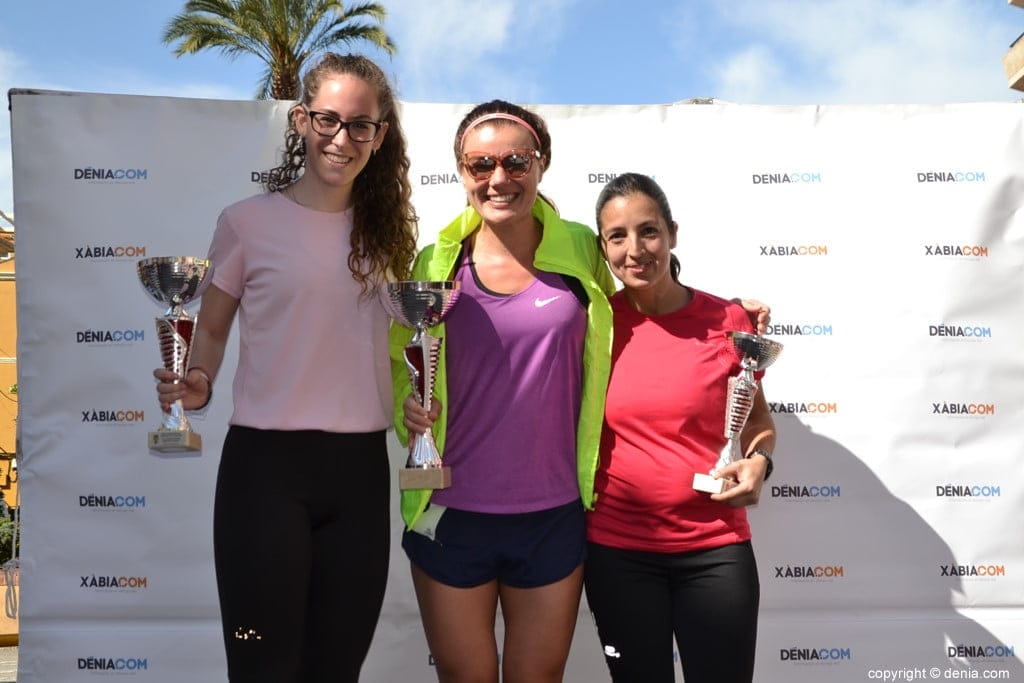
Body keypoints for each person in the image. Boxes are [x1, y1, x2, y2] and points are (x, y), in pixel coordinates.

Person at [394, 104, 769, 683]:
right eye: (481, 164)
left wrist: (730, 316)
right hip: (451, 508)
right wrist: (411, 412)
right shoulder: (437, 261)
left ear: (540, 165)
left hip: (555, 515)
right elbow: (406, 368)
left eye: (516, 161)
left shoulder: (578, 249)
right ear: (461, 171)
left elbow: (646, 281)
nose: (499, 177)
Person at [153, 53, 418, 682]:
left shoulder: (388, 236)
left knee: (336, 670)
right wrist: (199, 378)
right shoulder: (246, 222)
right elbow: (212, 327)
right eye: (328, 118)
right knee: (261, 665)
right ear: (301, 120)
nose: (342, 137)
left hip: (358, 474)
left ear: (380, 137)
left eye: (361, 125)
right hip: (265, 475)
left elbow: (406, 343)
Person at [584, 172, 777, 683]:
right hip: (617, 552)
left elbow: (756, 419)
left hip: (715, 550)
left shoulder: (729, 319)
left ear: (672, 233)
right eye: (617, 236)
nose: (635, 250)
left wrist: (759, 462)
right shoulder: (592, 323)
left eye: (648, 231)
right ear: (602, 248)